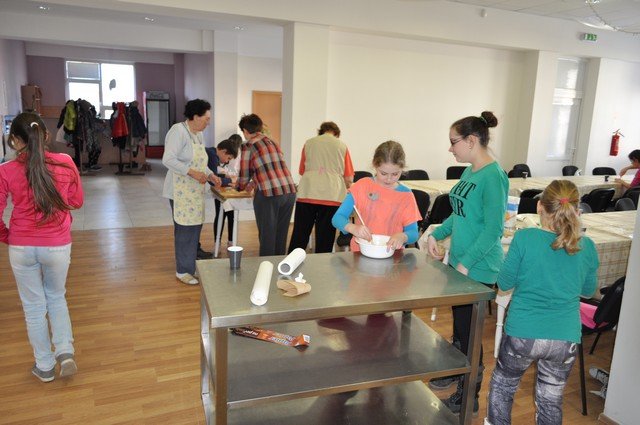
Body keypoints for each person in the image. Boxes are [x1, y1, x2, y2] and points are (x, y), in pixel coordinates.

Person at [487, 180, 599, 425]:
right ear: (577, 211)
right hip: (565, 337)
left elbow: (504, 284)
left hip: (523, 332)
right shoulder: (588, 246)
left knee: (503, 387)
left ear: (539, 207)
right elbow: (588, 291)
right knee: (550, 400)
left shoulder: (524, 238)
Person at [426, 111, 508, 415]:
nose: (450, 148)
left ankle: (469, 394)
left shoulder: (493, 176)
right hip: (460, 264)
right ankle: (455, 369)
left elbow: (493, 230)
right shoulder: (470, 171)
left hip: (478, 268)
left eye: (454, 142)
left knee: (471, 334)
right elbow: (458, 214)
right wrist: (436, 233)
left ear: (471, 141)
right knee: (460, 330)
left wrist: (466, 264)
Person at [0, 112, 84, 382]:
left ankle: (45, 366)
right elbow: (76, 201)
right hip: (57, 245)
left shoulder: (5, 170)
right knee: (56, 297)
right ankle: (65, 353)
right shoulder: (65, 163)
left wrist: (7, 236)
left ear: (15, 140)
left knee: (34, 307)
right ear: (46, 136)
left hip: (21, 247)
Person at [162, 99, 218, 285]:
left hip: (193, 191)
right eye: (206, 118)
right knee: (184, 231)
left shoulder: (198, 134)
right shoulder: (178, 131)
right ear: (195, 117)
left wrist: (210, 175)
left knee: (194, 229)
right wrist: (192, 173)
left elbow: (200, 162)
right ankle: (183, 271)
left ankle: (190, 266)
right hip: (180, 190)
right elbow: (168, 159)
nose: (209, 122)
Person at [332, 140, 421, 253]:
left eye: (395, 174)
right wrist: (352, 228)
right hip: (361, 252)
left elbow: (413, 233)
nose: (389, 179)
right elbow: (337, 218)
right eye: (383, 173)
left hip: (392, 254)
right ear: (375, 165)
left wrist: (403, 236)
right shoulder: (362, 186)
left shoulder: (406, 195)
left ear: (402, 169)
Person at [288, 121, 354, 254]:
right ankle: (322, 264)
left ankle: (291, 261)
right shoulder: (342, 146)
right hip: (332, 196)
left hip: (308, 193)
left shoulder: (309, 143)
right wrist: (346, 185)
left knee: (300, 233)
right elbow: (349, 177)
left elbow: (302, 170)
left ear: (321, 131)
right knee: (326, 236)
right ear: (336, 134)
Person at [236, 114, 296, 256]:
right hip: (289, 190)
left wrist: (238, 187)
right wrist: (254, 181)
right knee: (280, 235)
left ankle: (266, 266)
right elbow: (270, 168)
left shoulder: (248, 145)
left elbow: (244, 175)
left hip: (270, 194)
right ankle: (279, 265)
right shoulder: (272, 141)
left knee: (267, 236)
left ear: (245, 131)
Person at [202, 139, 238, 251]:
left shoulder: (211, 152)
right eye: (228, 158)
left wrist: (225, 177)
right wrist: (231, 180)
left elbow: (214, 174)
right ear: (223, 151)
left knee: (223, 213)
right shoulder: (213, 156)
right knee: (224, 213)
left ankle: (218, 243)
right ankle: (224, 242)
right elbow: (214, 181)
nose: (227, 162)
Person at [212, 134, 243, 247]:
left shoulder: (239, 155)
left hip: (231, 187)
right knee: (221, 214)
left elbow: (239, 171)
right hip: (222, 187)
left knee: (231, 215)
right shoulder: (217, 155)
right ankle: (218, 242)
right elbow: (216, 172)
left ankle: (229, 241)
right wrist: (228, 176)